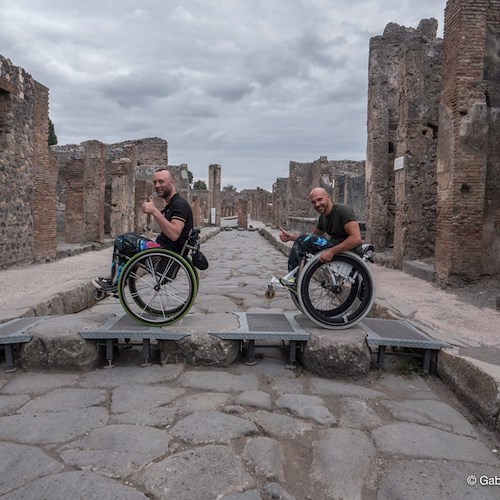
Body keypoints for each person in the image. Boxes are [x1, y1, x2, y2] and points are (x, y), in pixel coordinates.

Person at [93, 168, 194, 293]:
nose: (157, 185)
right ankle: (118, 279)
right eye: (155, 182)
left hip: (164, 255)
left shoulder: (180, 205)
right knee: (131, 237)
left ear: (172, 182)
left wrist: (154, 211)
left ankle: (115, 284)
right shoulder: (173, 204)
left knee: (122, 240)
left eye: (161, 182)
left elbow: (174, 234)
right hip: (164, 250)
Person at [279, 187, 363, 287]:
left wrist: (332, 251)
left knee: (308, 240)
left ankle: (293, 279)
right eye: (314, 202)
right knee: (306, 241)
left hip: (349, 252)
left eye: (320, 199)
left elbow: (356, 238)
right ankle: (294, 277)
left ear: (328, 197)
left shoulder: (343, 211)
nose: (317, 204)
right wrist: (291, 237)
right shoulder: (323, 217)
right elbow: (312, 236)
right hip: (335, 247)